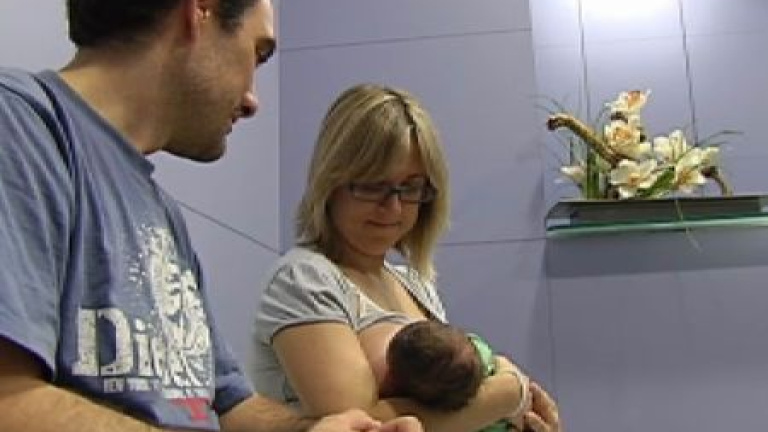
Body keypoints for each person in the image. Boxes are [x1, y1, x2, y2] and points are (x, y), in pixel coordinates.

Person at [0, 1, 423, 431]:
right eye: (258, 53)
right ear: (199, 12)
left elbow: (228, 404)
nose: (253, 101)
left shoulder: (160, 212)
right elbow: (9, 401)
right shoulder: (19, 129)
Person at [250, 83, 562, 432]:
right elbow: (364, 426)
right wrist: (508, 392)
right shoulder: (305, 280)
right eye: (372, 185)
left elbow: (450, 411)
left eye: (410, 187)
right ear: (331, 181)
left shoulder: (415, 285)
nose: (393, 207)